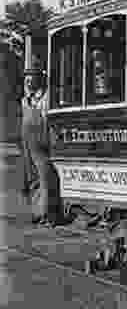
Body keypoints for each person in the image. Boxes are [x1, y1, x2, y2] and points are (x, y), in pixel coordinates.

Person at [20, 68, 63, 225]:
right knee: (32, 178)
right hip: (27, 141)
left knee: (45, 176)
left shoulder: (45, 97)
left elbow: (48, 119)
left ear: (39, 80)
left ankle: (48, 214)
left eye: (32, 79)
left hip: (41, 140)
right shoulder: (25, 99)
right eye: (26, 79)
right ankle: (36, 212)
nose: (28, 82)